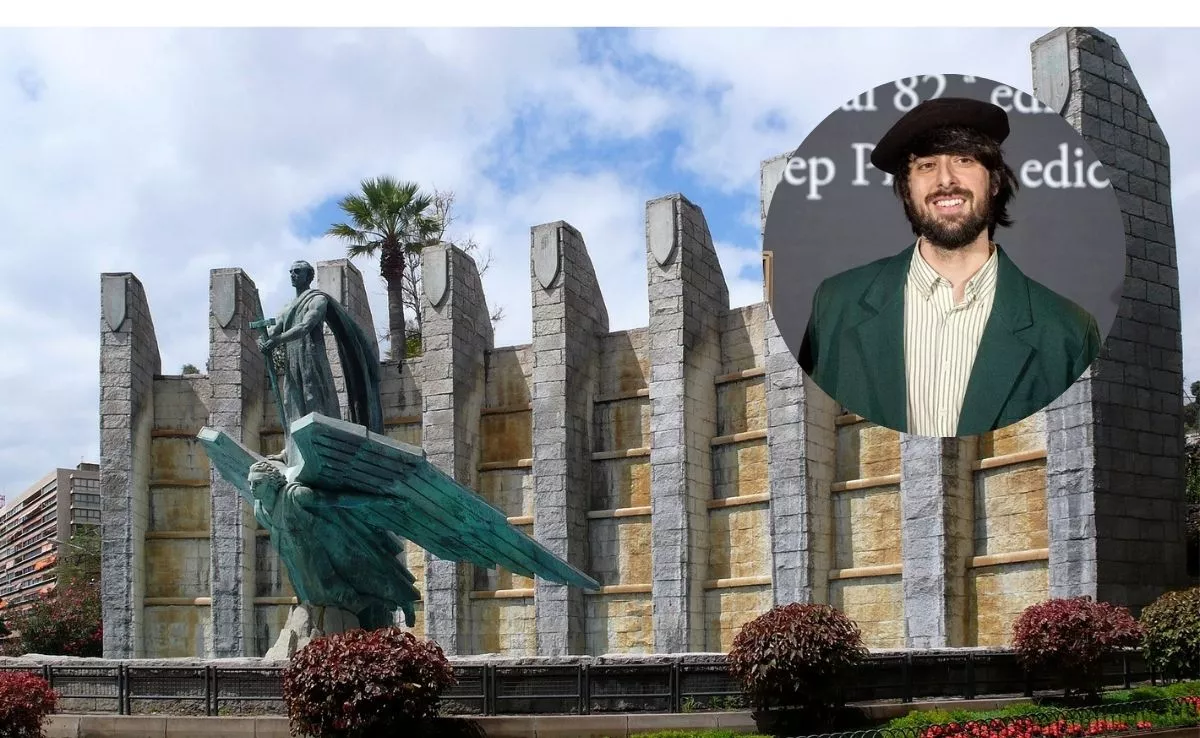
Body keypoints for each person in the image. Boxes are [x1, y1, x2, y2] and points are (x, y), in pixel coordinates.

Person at [797, 97, 1100, 438]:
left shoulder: (1067, 332)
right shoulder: (836, 305)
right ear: (906, 190)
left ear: (995, 182)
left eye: (964, 160)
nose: (946, 179)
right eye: (926, 165)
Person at [257, 260, 385, 456]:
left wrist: (276, 340)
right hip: (292, 362)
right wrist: (264, 340)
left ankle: (325, 446)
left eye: (297, 271)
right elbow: (274, 331)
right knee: (292, 403)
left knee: (314, 400)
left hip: (311, 358)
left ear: (309, 276)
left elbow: (305, 326)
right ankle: (292, 452)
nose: (293, 275)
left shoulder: (317, 300)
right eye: (291, 271)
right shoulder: (287, 307)